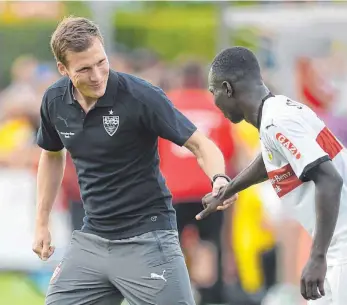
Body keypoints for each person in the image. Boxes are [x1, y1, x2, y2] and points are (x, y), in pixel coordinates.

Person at [32, 16, 237, 305]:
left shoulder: (141, 96)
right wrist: (41, 223)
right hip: (93, 238)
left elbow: (201, 144)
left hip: (149, 238)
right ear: (63, 69)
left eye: (102, 62)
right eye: (85, 69)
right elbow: (52, 154)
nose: (97, 75)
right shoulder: (54, 101)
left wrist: (219, 179)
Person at [199, 46, 347, 305]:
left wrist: (317, 257)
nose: (215, 102)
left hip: (341, 248)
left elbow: (329, 179)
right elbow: (270, 161)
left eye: (214, 93)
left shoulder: (276, 122)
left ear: (228, 88)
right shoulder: (280, 111)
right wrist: (229, 189)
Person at [158, 61, 236, 304]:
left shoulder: (167, 103)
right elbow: (228, 151)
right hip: (208, 188)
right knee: (212, 245)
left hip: (174, 190)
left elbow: (156, 152)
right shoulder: (215, 106)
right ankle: (213, 296)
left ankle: (172, 295)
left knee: (170, 248)